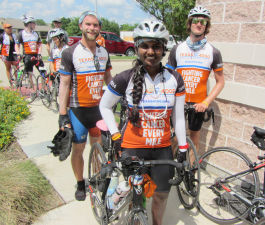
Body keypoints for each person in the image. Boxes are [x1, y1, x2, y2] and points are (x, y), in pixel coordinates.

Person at [100, 19, 188, 225]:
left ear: (163, 49)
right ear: (138, 47)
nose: (151, 51)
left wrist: (183, 146)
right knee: (136, 196)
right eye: (145, 46)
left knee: (161, 195)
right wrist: (115, 134)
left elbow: (178, 117)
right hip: (133, 147)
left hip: (162, 148)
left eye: (156, 46)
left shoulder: (175, 78)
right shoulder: (125, 78)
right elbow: (104, 106)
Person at [58, 11, 112, 201]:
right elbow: (64, 85)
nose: (92, 28)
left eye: (95, 25)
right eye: (88, 24)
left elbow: (109, 78)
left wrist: (117, 97)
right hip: (78, 112)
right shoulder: (70, 52)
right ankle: (81, 182)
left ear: (99, 28)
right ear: (81, 26)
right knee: (78, 150)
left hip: (98, 111)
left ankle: (96, 178)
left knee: (97, 148)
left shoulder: (103, 52)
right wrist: (62, 114)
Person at [166, 5, 225, 155]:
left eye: (203, 22)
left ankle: (191, 173)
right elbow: (167, 76)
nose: (199, 24)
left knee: (194, 138)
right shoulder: (177, 49)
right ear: (190, 23)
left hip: (199, 104)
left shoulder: (213, 52)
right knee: (174, 137)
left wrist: (206, 102)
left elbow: (220, 82)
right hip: (179, 100)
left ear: (206, 26)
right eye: (196, 20)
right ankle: (172, 170)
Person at [15, 15, 45, 87]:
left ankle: (44, 89)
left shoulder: (35, 33)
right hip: (27, 55)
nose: (35, 24)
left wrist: (39, 53)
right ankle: (32, 88)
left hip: (36, 55)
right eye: (34, 23)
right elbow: (17, 45)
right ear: (29, 23)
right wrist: (18, 54)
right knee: (29, 72)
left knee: (43, 71)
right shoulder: (21, 33)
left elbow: (40, 44)